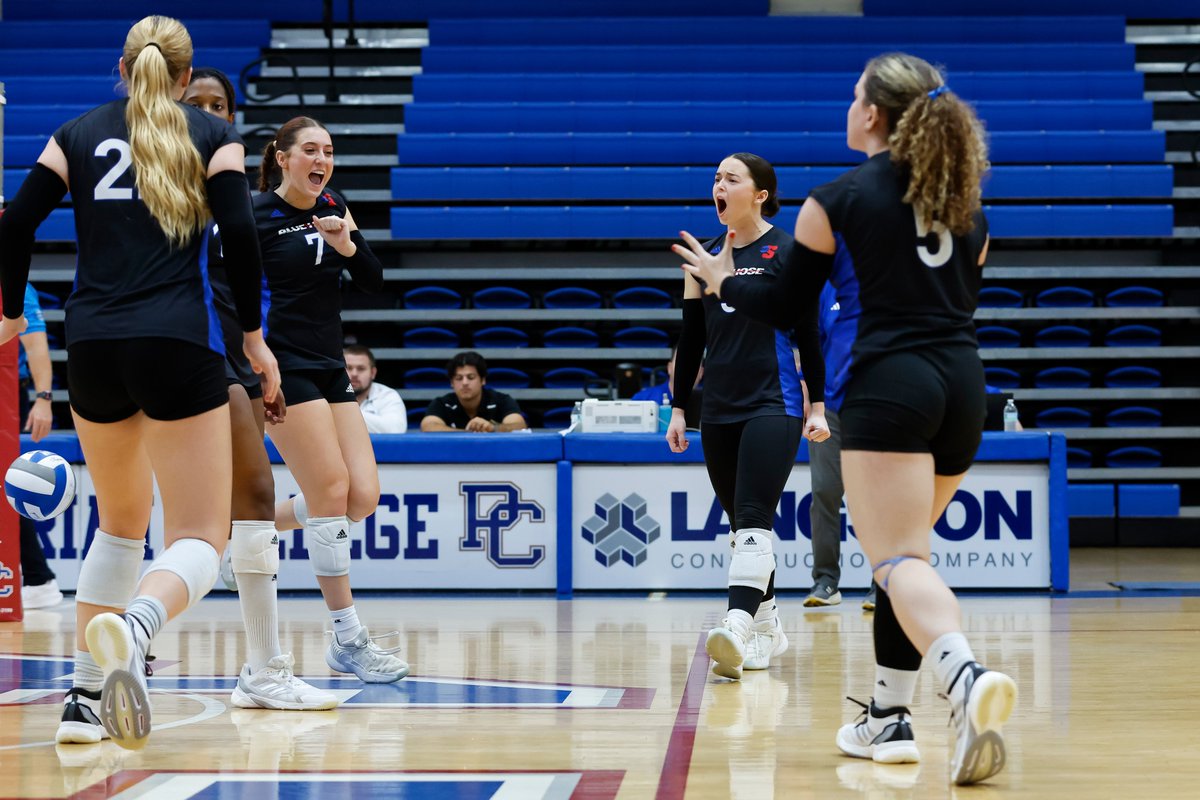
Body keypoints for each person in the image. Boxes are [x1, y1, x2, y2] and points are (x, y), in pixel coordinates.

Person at [675, 53, 1017, 786]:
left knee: (896, 561)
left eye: (856, 95)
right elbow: (966, 293)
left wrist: (720, 280)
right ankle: (886, 719)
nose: (849, 104)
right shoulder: (969, 204)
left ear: (873, 115)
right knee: (907, 557)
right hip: (963, 384)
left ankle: (964, 679)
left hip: (889, 382)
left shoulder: (836, 198)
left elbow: (785, 305)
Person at [0, 16, 280, 750]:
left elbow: (15, 224)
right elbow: (243, 238)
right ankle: (135, 626)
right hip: (176, 342)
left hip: (91, 342)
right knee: (198, 534)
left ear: (120, 66)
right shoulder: (213, 137)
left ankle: (83, 704)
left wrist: (6, 313)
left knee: (119, 525)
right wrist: (252, 337)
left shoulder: (76, 131)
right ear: (187, 78)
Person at [183, 68, 336, 712]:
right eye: (200, 104)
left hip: (228, 354)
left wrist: (261, 357)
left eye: (222, 106)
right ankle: (109, 661)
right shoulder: (149, 185)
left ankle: (262, 666)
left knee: (254, 495)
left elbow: (252, 289)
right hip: (160, 347)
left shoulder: (236, 193)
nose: (213, 115)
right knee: (147, 515)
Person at [243, 116, 409, 684]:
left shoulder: (333, 201)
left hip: (329, 362)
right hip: (281, 365)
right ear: (282, 158)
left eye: (329, 151)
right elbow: (229, 295)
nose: (322, 160)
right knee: (332, 490)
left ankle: (250, 522)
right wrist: (256, 363)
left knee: (362, 497)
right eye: (311, 150)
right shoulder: (253, 213)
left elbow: (372, 279)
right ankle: (348, 638)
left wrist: (346, 243)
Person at [666, 153, 829, 681]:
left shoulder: (786, 250)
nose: (719, 185)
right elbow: (691, 340)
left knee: (755, 516)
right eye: (715, 177)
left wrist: (819, 404)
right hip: (717, 410)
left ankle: (735, 624)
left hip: (774, 403)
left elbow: (808, 331)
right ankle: (768, 629)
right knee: (742, 529)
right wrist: (678, 410)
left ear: (759, 194)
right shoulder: (705, 258)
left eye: (731, 179)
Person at [802, 280, 878, 611]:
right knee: (824, 491)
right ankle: (826, 580)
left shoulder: (883, 279)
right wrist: (811, 401)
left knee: (877, 499)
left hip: (875, 404)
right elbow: (810, 345)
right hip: (830, 406)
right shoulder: (824, 288)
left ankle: (883, 581)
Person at [17, 283, 63, 609]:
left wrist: (43, 398)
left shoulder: (13, 285)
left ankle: (38, 579)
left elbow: (36, 346)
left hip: (7, 394)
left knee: (8, 487)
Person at [420, 351, 527, 432]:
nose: (465, 383)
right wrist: (467, 433)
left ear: (483, 380)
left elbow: (519, 425)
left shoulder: (501, 400)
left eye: (471, 377)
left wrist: (492, 428)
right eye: (458, 378)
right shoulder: (442, 403)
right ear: (451, 382)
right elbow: (428, 426)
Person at [344, 344, 407, 433]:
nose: (354, 374)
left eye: (361, 368)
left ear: (373, 373)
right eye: (348, 368)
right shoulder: (327, 394)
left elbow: (395, 430)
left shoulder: (387, 395)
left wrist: (343, 412)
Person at [630, 343, 704, 404]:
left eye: (693, 363)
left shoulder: (710, 404)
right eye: (681, 362)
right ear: (669, 368)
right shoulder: (642, 400)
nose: (686, 368)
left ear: (701, 372)